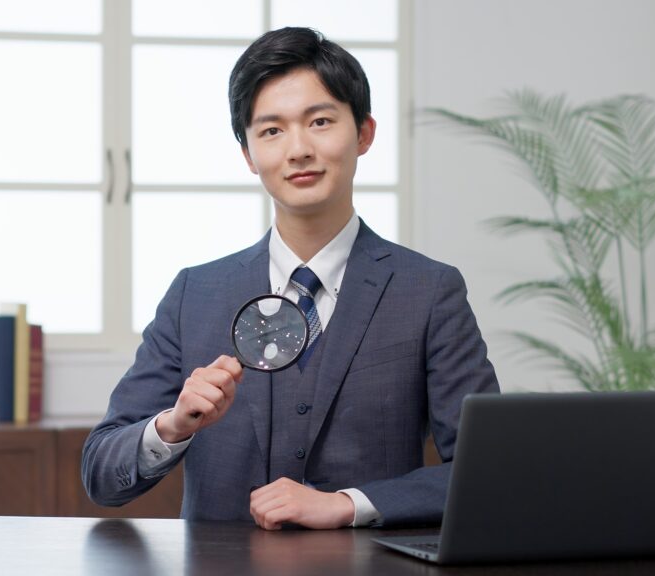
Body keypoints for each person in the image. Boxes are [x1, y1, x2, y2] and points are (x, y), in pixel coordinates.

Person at [82, 27, 499, 529]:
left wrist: (348, 503)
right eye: (272, 130)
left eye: (320, 121)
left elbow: (485, 472)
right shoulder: (195, 294)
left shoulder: (429, 292)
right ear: (248, 154)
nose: (298, 149)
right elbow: (101, 475)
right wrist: (172, 425)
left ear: (364, 133)